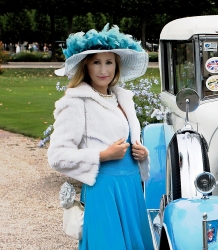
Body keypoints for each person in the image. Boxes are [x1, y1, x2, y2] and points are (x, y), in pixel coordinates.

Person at [48, 24, 153, 249]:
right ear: (86, 65)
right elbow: (56, 155)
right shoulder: (76, 102)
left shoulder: (122, 99)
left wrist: (142, 153)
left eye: (109, 62)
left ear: (117, 65)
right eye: (96, 62)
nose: (103, 69)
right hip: (104, 190)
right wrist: (102, 155)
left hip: (131, 188)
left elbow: (127, 139)